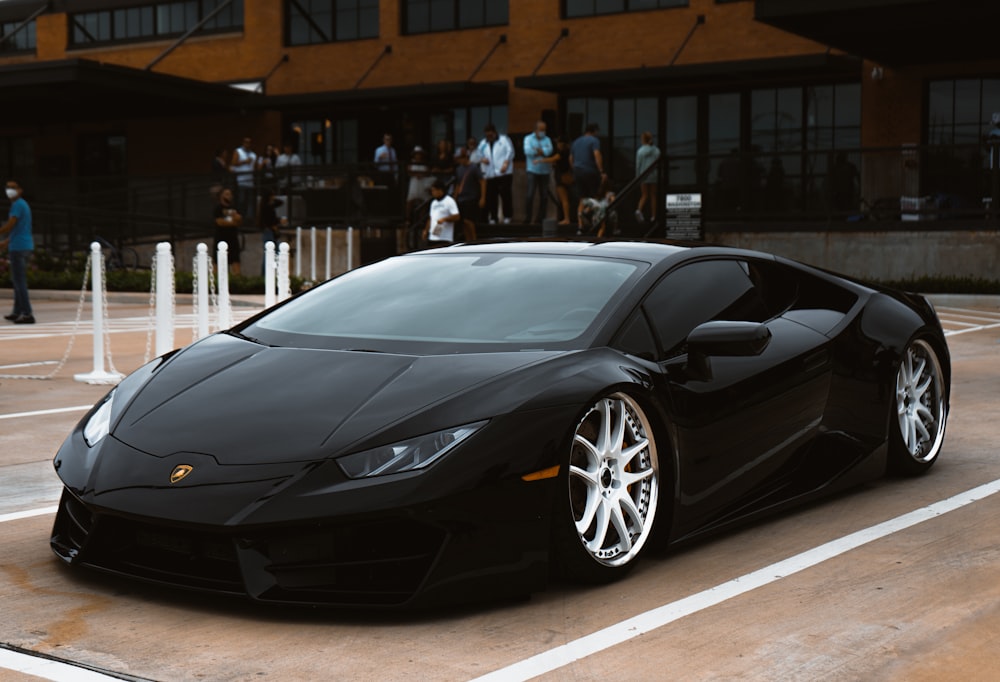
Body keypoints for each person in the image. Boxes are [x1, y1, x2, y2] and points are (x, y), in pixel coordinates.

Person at [0, 180, 34, 324]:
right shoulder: (21, 205)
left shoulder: (18, 205)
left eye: (13, 188)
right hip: (21, 245)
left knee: (19, 282)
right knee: (17, 280)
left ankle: (27, 313)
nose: (9, 190)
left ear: (20, 190)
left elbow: (11, 225)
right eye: (8, 188)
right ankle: (17, 311)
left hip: (19, 247)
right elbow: (17, 229)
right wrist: (6, 242)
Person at [477, 122, 515, 224]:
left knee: (505, 195)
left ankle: (507, 216)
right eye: (487, 135)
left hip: (504, 172)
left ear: (494, 132)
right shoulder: (483, 143)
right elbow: (478, 154)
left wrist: (506, 162)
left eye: (491, 134)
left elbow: (510, 151)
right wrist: (482, 159)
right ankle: (493, 217)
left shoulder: (504, 140)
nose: (489, 137)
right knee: (491, 196)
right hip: (490, 174)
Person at [523, 120, 554, 223]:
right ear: (535, 130)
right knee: (530, 194)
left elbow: (549, 151)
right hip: (532, 170)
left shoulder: (547, 139)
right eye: (541, 130)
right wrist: (542, 151)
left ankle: (541, 218)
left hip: (545, 171)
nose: (543, 132)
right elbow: (527, 151)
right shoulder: (528, 139)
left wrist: (538, 151)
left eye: (544, 130)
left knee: (544, 196)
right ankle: (528, 218)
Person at [453, 143, 483, 241]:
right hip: (461, 197)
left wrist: (483, 197)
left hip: (471, 197)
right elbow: (457, 184)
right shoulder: (459, 169)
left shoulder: (474, 167)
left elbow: (482, 181)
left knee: (468, 220)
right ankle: (468, 239)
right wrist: (455, 197)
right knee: (463, 222)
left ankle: (474, 239)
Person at [570, 123, 605, 202]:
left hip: (577, 170)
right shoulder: (594, 140)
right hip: (589, 170)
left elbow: (571, 158)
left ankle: (580, 213)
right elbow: (597, 154)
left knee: (582, 197)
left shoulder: (576, 141)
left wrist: (574, 168)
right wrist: (601, 170)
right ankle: (593, 213)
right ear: (595, 131)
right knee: (594, 195)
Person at [213, 187, 243, 276]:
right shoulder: (218, 208)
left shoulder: (234, 208)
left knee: (235, 260)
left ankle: (237, 282)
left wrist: (234, 220)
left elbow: (239, 220)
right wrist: (232, 222)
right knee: (218, 260)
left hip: (233, 238)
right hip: (221, 237)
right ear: (221, 196)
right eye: (226, 194)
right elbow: (220, 222)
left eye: (230, 194)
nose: (229, 196)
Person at [422, 179, 461, 247]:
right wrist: (426, 230)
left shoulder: (449, 201)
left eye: (434, 190)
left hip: (445, 237)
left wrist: (445, 219)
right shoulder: (433, 203)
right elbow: (431, 218)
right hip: (433, 236)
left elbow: (457, 216)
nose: (432, 192)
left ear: (440, 190)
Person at [257, 187, 286, 274]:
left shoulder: (268, 206)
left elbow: (280, 202)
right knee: (269, 253)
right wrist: (279, 221)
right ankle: (265, 274)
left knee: (274, 252)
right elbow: (270, 221)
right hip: (269, 232)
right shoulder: (267, 207)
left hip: (270, 232)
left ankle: (270, 273)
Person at [634, 131, 660, 223]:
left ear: (643, 140)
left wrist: (637, 177)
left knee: (644, 195)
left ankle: (639, 210)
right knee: (653, 195)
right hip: (653, 175)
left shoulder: (640, 151)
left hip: (643, 176)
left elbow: (638, 165)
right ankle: (653, 216)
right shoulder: (656, 150)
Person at [229, 137, 257, 221]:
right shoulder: (238, 151)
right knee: (241, 201)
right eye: (246, 142)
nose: (247, 144)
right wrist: (244, 161)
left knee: (250, 201)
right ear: (243, 143)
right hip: (241, 181)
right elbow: (233, 163)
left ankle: (249, 219)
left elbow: (255, 168)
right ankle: (240, 217)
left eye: (249, 142)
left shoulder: (253, 154)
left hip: (250, 181)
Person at [553, 135, 574, 224]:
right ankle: (568, 217)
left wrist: (540, 160)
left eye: (558, 143)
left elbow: (554, 159)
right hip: (566, 176)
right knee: (567, 198)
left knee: (564, 199)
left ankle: (566, 218)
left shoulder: (562, 152)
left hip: (561, 177)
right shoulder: (569, 152)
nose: (557, 145)